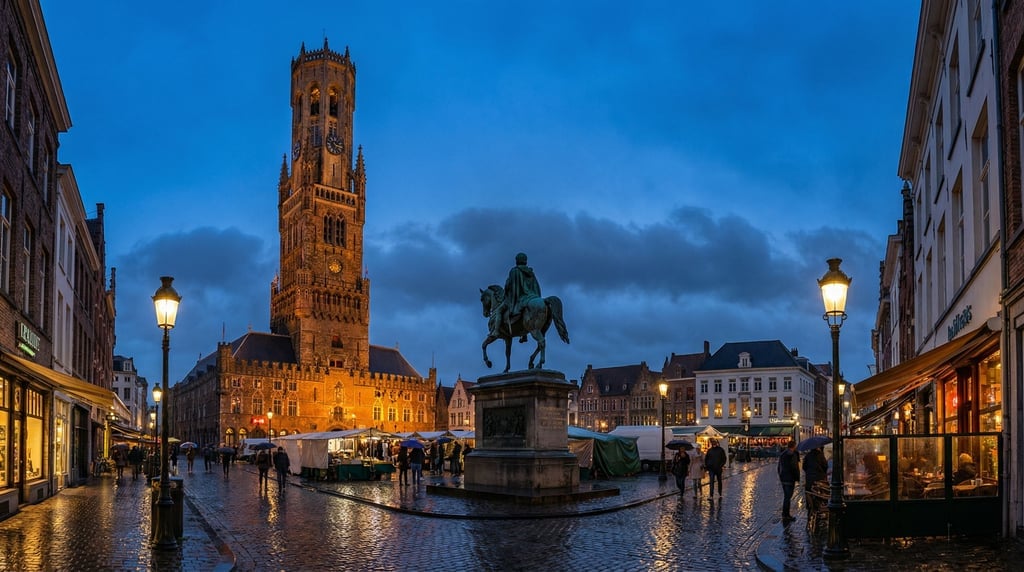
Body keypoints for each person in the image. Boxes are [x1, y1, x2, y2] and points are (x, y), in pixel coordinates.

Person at [502, 252, 542, 341]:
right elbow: (536, 286)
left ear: (517, 260)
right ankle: (524, 334)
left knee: (501, 310)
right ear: (525, 261)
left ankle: (497, 330)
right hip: (532, 296)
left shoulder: (514, 271)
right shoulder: (531, 273)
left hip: (520, 297)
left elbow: (510, 286)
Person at [778, 440, 801, 523]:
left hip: (784, 478)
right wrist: (797, 478)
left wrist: (781, 476)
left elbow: (779, 467)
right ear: (794, 446)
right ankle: (786, 514)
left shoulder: (783, 454)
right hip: (790, 478)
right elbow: (794, 467)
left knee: (786, 496)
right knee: (788, 497)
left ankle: (785, 514)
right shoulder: (793, 455)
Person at [802, 446, 829, 515]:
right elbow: (825, 465)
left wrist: (808, 472)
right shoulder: (820, 455)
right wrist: (823, 472)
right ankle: (819, 505)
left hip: (810, 478)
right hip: (819, 477)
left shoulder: (807, 456)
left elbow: (804, 467)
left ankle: (810, 506)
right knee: (819, 491)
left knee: (809, 491)